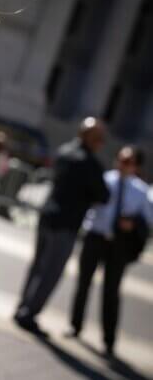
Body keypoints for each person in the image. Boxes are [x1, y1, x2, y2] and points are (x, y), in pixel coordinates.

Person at [14, 117, 110, 337]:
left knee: (37, 266)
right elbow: (103, 195)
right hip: (66, 224)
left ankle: (22, 307)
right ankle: (29, 313)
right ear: (92, 139)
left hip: (48, 216)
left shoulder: (65, 152)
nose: (102, 143)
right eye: (99, 139)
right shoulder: (90, 163)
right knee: (51, 272)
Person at [67, 145, 153, 358]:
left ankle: (109, 340)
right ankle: (75, 326)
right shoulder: (105, 180)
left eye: (128, 162)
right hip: (95, 237)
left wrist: (132, 223)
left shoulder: (141, 191)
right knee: (83, 283)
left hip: (119, 245)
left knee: (111, 291)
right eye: (121, 160)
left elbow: (148, 219)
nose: (123, 165)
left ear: (136, 166)